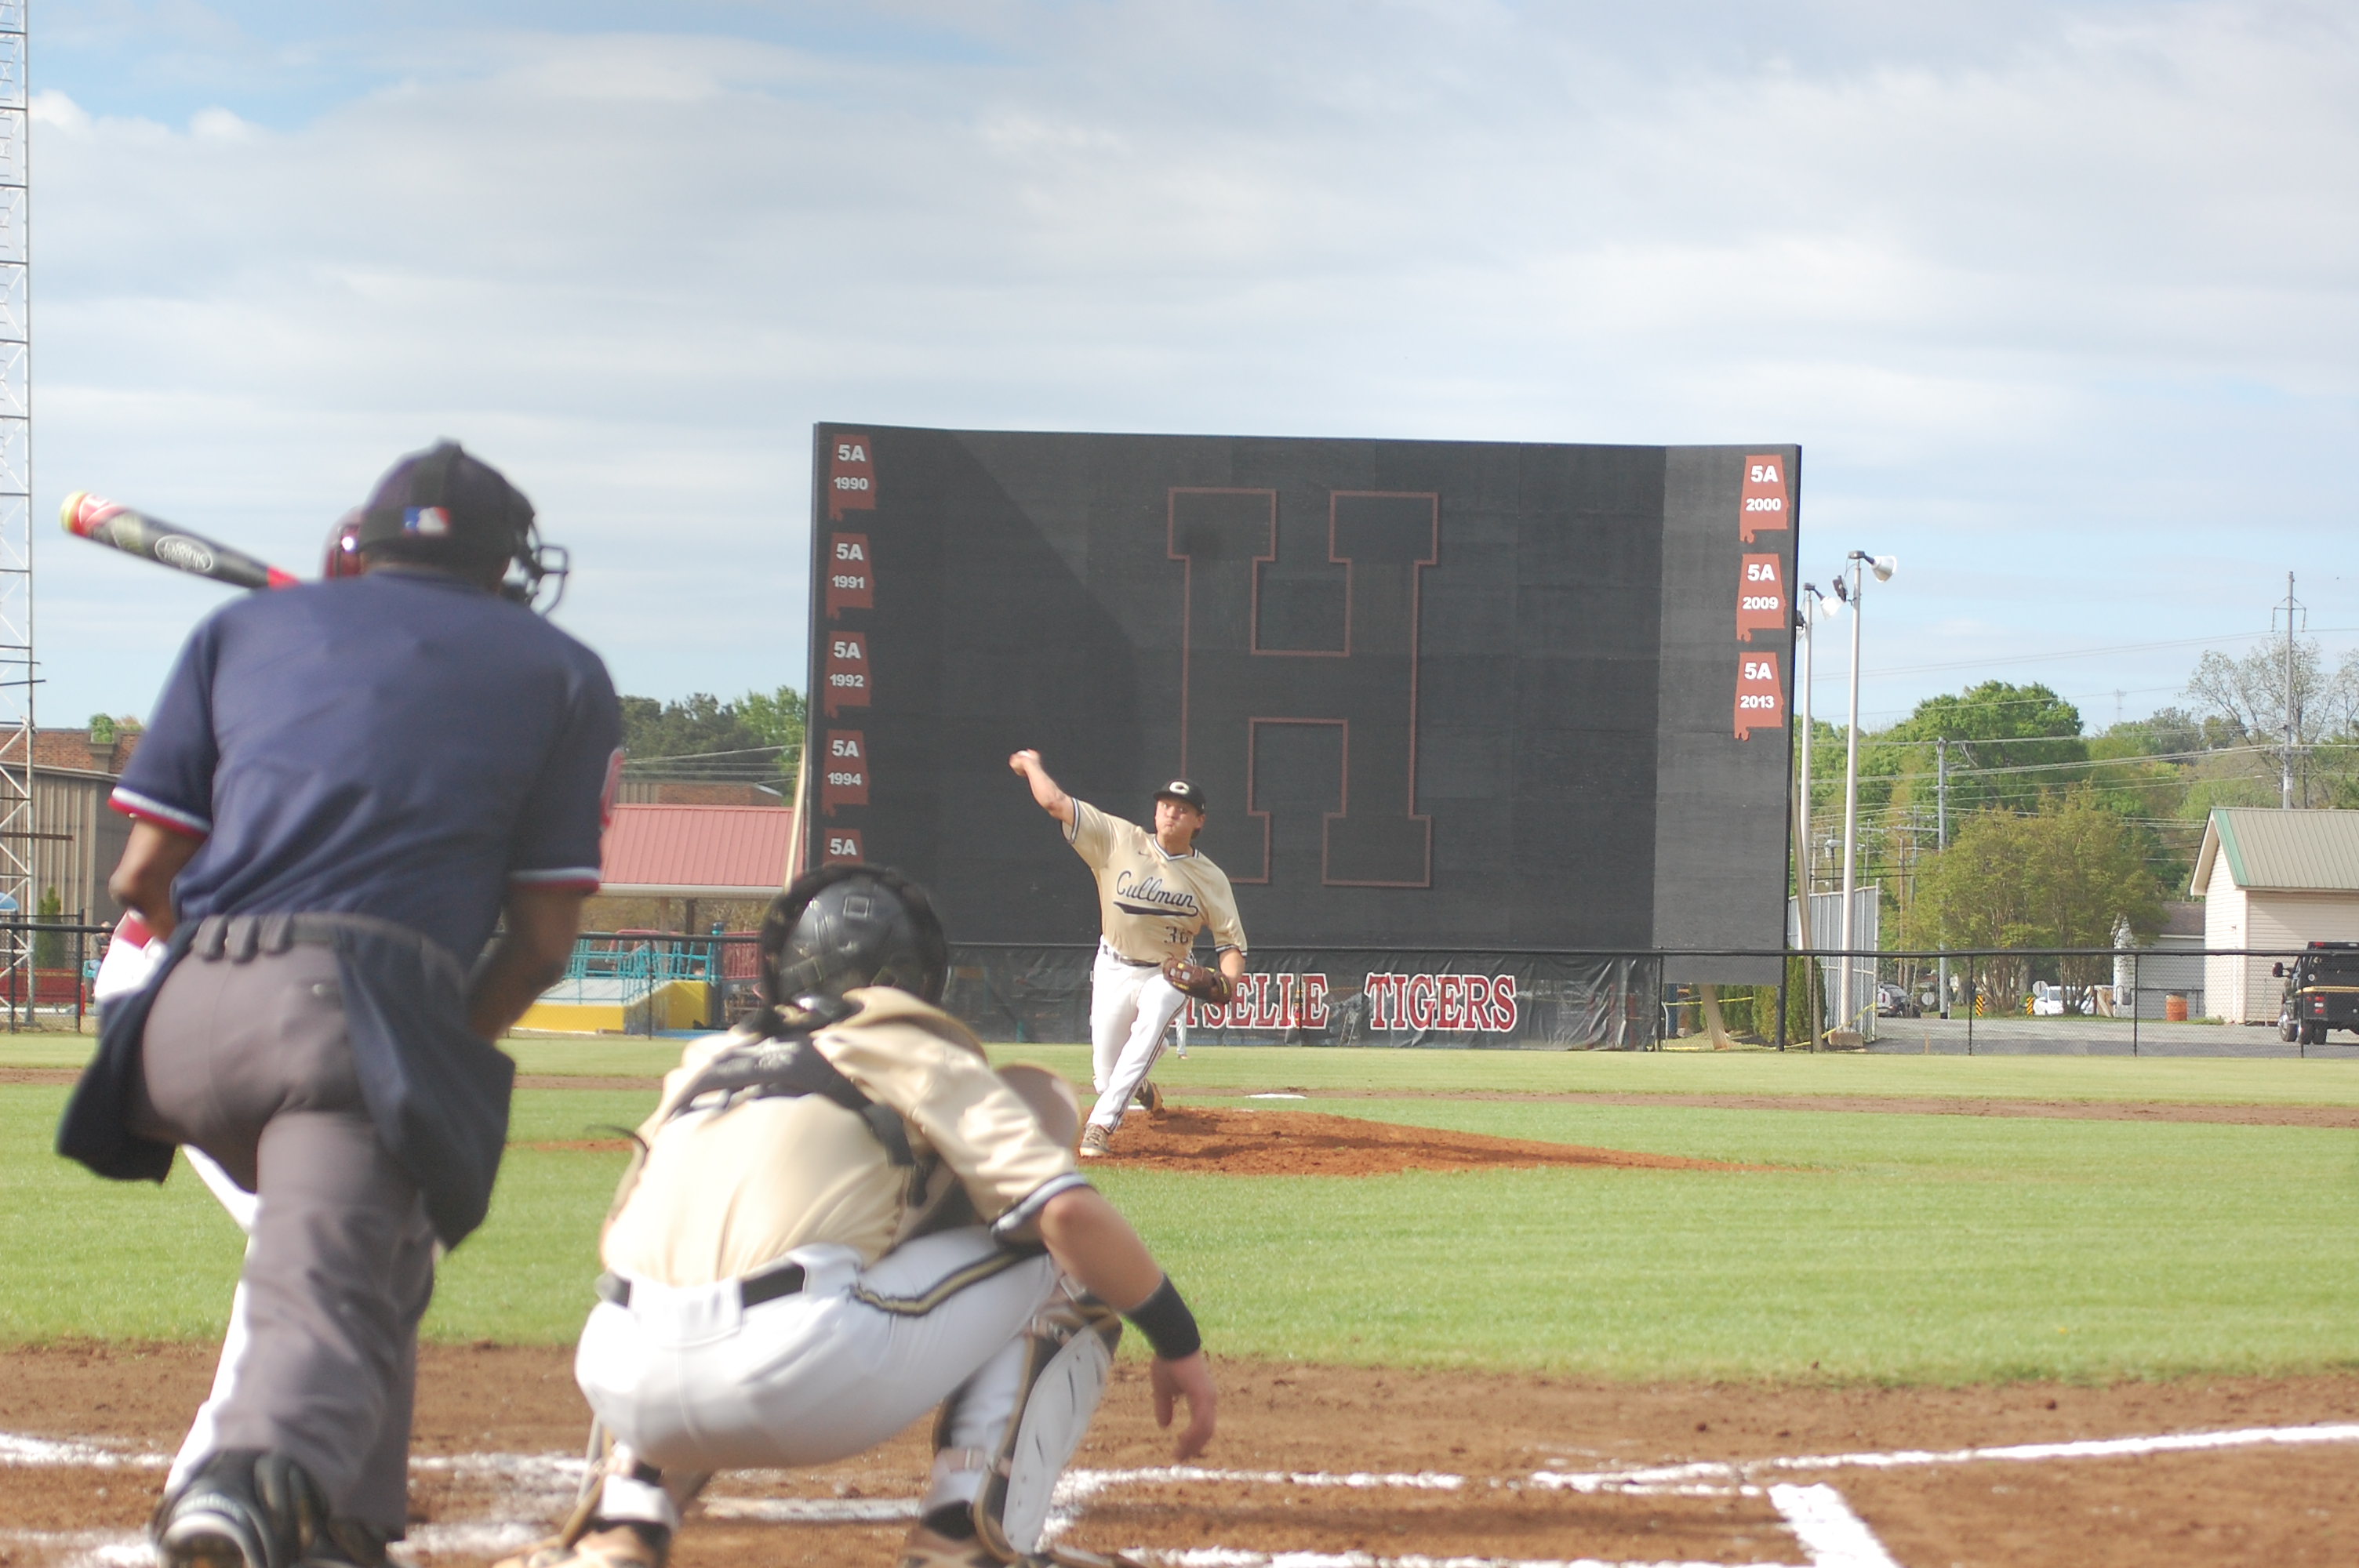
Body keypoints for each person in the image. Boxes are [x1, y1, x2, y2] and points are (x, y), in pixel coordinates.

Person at [57, 441, 623, 1568]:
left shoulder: (241, 635)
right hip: (348, 1018)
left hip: (170, 1019)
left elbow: (135, 880)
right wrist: (431, 1045)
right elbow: (544, 943)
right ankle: (235, 1486)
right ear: (508, 563)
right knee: (322, 1267)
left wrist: (219, 966)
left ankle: (346, 1527)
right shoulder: (561, 671)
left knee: (379, 1245)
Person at [506, 863, 1216, 1568]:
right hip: (795, 1369)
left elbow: (620, 1237)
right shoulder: (908, 1041)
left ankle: (618, 1527)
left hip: (618, 1369)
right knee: (1059, 1254)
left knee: (696, 1258)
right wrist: (1178, 1342)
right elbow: (1066, 1215)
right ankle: (962, 1535)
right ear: (913, 980)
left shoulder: (708, 1058)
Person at [1006, 752, 1246, 1157]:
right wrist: (1031, 765)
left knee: (1153, 1020)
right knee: (1105, 1076)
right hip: (1114, 966)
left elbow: (1231, 943)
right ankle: (1140, 1086)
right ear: (1156, 811)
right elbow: (1055, 804)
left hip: (1168, 974)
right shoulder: (1118, 839)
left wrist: (1230, 981)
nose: (1171, 813)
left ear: (1199, 821)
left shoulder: (1211, 878)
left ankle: (1100, 1126)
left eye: (1183, 809)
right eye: (1166, 805)